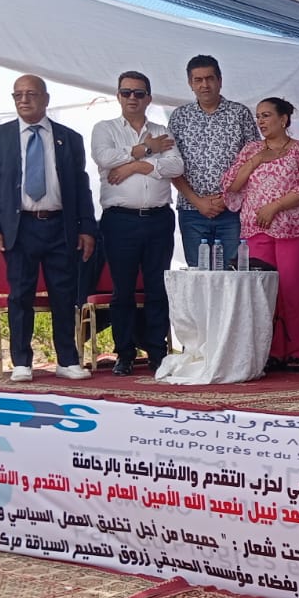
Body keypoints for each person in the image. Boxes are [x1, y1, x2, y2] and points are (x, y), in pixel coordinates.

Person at [0, 74, 97, 382]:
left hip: (60, 226)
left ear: (46, 99)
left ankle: (67, 360)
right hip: (20, 227)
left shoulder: (69, 138)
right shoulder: (0, 137)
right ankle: (22, 362)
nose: (24, 100)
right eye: (17, 94)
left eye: (31, 94)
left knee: (64, 295)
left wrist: (87, 227)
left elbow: (81, 186)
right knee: (20, 295)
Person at [90, 71, 182, 376]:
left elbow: (176, 165)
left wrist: (136, 166)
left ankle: (157, 352)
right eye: (126, 92)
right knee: (123, 290)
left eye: (139, 93)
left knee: (157, 288)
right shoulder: (104, 129)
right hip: (120, 221)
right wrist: (147, 150)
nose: (132, 98)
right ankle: (125, 354)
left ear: (149, 98)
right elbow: (105, 158)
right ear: (118, 96)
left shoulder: (161, 131)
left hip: (158, 219)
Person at [222, 98, 299, 373]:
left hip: (293, 229)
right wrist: (256, 160)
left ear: (284, 119)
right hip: (257, 230)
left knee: (292, 292)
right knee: (264, 293)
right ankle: (271, 351)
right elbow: (231, 185)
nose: (261, 121)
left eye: (266, 115)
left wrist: (274, 207)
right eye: (258, 116)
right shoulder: (251, 149)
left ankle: (297, 351)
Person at [168, 54, 257, 264]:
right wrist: (198, 202)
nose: (205, 85)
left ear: (220, 80)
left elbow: (254, 161)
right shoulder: (179, 116)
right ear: (190, 84)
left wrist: (227, 198)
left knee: (232, 274)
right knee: (197, 274)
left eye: (210, 78)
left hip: (232, 211)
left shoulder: (239, 114)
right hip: (192, 210)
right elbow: (171, 165)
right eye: (198, 80)